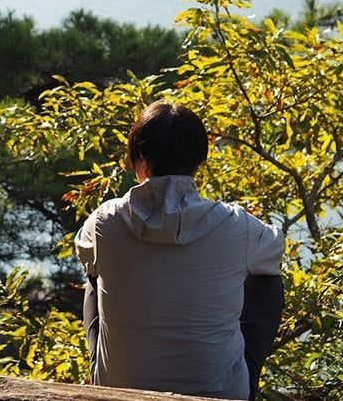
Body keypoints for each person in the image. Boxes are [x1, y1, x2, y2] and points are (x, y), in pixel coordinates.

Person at [75, 101, 284, 401]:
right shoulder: (238, 226)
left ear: (141, 156)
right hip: (220, 394)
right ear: (200, 157)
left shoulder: (104, 221)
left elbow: (84, 252)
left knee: (94, 274)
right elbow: (276, 251)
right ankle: (243, 378)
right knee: (266, 276)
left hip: (119, 391)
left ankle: (100, 373)